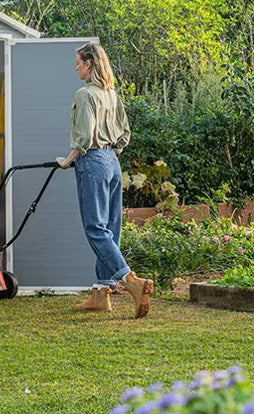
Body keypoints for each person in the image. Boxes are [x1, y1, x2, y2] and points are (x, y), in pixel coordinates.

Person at [56, 43, 154, 318]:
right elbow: (124, 134)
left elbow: (85, 138)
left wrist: (68, 160)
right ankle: (101, 294)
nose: (76, 67)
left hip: (93, 162)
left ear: (89, 64)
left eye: (78, 62)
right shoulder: (111, 94)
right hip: (112, 161)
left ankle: (132, 282)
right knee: (111, 227)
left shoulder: (85, 94)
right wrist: (109, 151)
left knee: (95, 228)